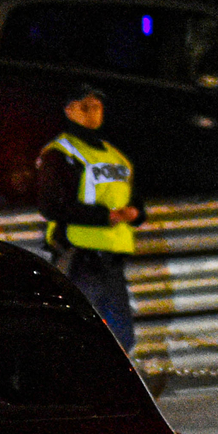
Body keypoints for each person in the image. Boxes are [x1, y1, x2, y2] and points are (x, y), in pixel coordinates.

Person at [36, 83, 140, 350]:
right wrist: (106, 217)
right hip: (78, 257)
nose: (93, 112)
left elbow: (133, 200)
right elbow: (52, 206)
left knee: (121, 340)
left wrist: (135, 213)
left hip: (111, 261)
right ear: (69, 111)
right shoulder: (60, 154)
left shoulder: (116, 157)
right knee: (74, 336)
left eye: (97, 106)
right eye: (85, 106)